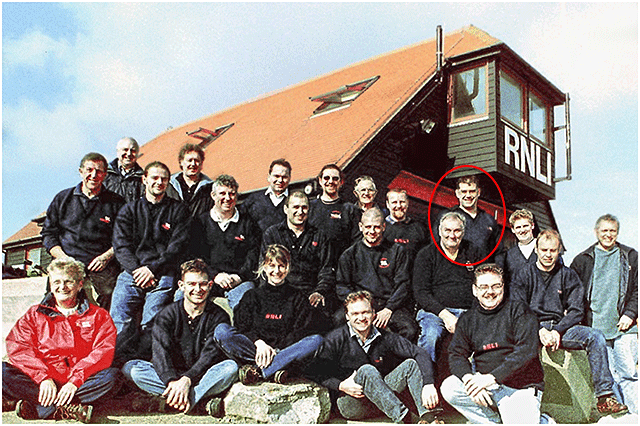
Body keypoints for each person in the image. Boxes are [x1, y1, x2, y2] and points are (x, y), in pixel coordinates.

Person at [511, 229, 628, 417]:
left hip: (561, 328)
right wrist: (538, 328)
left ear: (559, 251)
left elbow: (576, 310)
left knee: (595, 336)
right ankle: (519, 395)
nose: (548, 255)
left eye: (553, 250)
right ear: (536, 250)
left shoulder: (568, 275)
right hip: (531, 327)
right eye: (544, 250)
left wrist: (557, 330)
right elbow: (518, 309)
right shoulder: (523, 274)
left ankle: (604, 396)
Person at [3, 258, 120, 423]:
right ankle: (66, 409)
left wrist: (75, 381)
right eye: (56, 281)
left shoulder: (99, 316)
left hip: (80, 383)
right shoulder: (34, 314)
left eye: (68, 281)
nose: (62, 287)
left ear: (80, 284)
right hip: (42, 381)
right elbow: (19, 347)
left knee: (112, 377)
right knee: (2, 371)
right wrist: (42, 377)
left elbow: (103, 352)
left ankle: (39, 408)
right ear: (50, 285)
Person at [122, 259, 238, 417]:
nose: (198, 289)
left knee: (230, 367)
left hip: (201, 376)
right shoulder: (167, 314)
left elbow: (210, 355)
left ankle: (173, 401)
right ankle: (197, 401)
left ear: (210, 285)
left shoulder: (219, 316)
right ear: (181, 286)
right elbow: (160, 352)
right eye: (191, 284)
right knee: (132, 368)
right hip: (172, 377)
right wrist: (172, 381)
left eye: (203, 284)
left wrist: (187, 379)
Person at [308, 290, 442, 424]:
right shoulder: (335, 338)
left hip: (383, 399)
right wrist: (340, 385)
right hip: (352, 403)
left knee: (411, 364)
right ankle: (406, 420)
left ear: (373, 313)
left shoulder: (385, 336)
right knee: (367, 370)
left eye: (365, 312)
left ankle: (428, 416)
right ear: (347, 316)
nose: (361, 318)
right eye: (355, 313)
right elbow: (314, 370)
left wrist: (428, 383)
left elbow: (420, 352)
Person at [441, 264, 546, 424]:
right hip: (486, 385)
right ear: (475, 290)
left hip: (518, 388)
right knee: (450, 387)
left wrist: (491, 378)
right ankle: (493, 421)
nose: (489, 292)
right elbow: (456, 354)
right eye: (483, 287)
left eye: (495, 286)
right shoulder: (467, 319)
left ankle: (544, 422)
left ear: (503, 287)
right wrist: (469, 381)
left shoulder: (519, 311)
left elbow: (526, 351)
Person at [110, 161, 191, 364]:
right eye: (154, 178)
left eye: (164, 179)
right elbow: (121, 246)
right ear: (144, 179)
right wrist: (138, 270)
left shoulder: (178, 211)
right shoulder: (129, 210)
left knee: (153, 316)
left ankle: (146, 362)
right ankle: (116, 362)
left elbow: (176, 248)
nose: (159, 182)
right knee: (119, 313)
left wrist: (153, 269)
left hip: (163, 272)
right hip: (132, 272)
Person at [214, 245, 323, 385]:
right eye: (272, 265)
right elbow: (242, 326)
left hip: (283, 350)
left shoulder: (298, 297)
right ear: (264, 267)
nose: (276, 271)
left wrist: (275, 351)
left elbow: (300, 331)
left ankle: (258, 371)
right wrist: (259, 343)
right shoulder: (252, 296)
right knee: (222, 331)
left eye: (281, 266)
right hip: (255, 349)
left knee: (316, 340)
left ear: (288, 267)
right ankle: (276, 369)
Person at [571, 214, 638, 414]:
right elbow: (572, 292)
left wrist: (631, 313)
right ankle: (619, 417)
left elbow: (637, 289)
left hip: (623, 326)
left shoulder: (630, 256)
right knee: (608, 378)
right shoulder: (582, 259)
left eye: (612, 231)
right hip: (596, 330)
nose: (608, 235)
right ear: (596, 232)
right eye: (604, 231)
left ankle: (637, 415)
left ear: (617, 232)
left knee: (628, 373)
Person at [41, 152, 125, 309]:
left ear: (105, 175)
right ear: (81, 171)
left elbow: (124, 238)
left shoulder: (116, 202)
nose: (94, 175)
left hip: (100, 264)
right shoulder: (63, 198)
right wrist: (63, 258)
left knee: (111, 296)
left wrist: (105, 257)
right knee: (51, 302)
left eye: (99, 171)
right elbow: (48, 234)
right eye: (89, 170)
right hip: (67, 261)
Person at [336, 207, 417, 341]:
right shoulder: (349, 254)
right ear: (361, 227)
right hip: (360, 303)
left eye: (376, 227)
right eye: (368, 227)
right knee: (338, 319)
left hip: (389, 304)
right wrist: (361, 307)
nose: (372, 232)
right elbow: (341, 286)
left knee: (409, 328)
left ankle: (393, 359)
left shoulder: (397, 251)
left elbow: (403, 284)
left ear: (384, 227)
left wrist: (389, 309)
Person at [413, 211, 480, 362]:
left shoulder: (473, 252)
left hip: (467, 312)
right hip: (434, 313)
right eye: (447, 230)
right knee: (430, 336)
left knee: (481, 338)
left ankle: (477, 383)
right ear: (439, 231)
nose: (452, 235)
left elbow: (481, 287)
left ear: (463, 232)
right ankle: (426, 382)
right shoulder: (426, 254)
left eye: (457, 230)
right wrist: (445, 315)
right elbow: (421, 292)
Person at [261, 190, 337, 318]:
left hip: (310, 295)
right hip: (281, 292)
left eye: (304, 207)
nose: (300, 212)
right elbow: (265, 268)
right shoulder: (272, 234)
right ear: (286, 209)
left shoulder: (320, 236)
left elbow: (327, 269)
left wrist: (319, 291)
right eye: (295, 207)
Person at [189, 174, 260, 310]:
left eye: (232, 194)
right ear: (213, 195)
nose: (227, 198)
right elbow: (195, 256)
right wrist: (214, 275)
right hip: (207, 278)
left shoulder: (248, 223)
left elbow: (254, 255)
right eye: (222, 193)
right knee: (181, 297)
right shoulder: (199, 223)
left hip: (239, 281)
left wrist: (240, 277)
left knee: (245, 306)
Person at [437, 175, 500, 261]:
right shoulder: (445, 217)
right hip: (457, 271)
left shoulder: (489, 220)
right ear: (457, 193)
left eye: (472, 191)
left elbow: (499, 252)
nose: (468, 195)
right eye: (464, 191)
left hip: (483, 272)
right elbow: (436, 248)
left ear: (478, 192)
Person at [308, 164, 360, 257]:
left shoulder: (350, 210)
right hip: (314, 263)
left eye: (335, 179)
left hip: (340, 264)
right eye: (326, 178)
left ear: (341, 182)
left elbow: (356, 241)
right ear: (320, 181)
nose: (331, 182)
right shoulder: (310, 207)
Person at [241, 158, 291, 233]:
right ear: (269, 177)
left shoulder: (295, 201)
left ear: (289, 178)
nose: (280, 180)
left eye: (284, 177)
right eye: (276, 176)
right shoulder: (253, 200)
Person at [166, 143, 214, 218]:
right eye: (189, 160)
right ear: (181, 162)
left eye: (197, 160)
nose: (193, 164)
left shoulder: (210, 188)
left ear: (201, 163)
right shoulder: (168, 186)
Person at [495, 209, 537, 290]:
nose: (522, 230)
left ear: (532, 225)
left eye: (525, 226)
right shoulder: (509, 255)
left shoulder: (545, 249)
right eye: (518, 227)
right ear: (513, 230)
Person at [383, 188, 428, 260]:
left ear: (407, 203)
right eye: (394, 202)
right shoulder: (379, 228)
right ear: (387, 204)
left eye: (402, 202)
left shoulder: (419, 228)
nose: (398, 206)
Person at [103, 137, 145, 203]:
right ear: (118, 151)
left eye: (133, 151)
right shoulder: (104, 173)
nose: (129, 154)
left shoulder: (142, 178)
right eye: (125, 150)